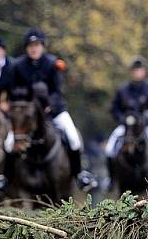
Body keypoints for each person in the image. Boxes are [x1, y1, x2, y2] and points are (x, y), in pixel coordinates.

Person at [12, 28, 96, 191]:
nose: (34, 48)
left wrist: (49, 105)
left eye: (37, 45)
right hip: (27, 115)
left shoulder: (52, 64)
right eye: (30, 45)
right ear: (26, 48)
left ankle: (80, 174)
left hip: (54, 111)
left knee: (73, 138)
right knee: (10, 142)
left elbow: (58, 91)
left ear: (42, 46)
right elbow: (15, 90)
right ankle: (6, 178)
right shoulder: (18, 66)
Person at [104, 57, 148, 181]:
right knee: (110, 148)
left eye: (139, 70)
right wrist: (123, 119)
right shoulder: (122, 90)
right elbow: (114, 108)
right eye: (135, 70)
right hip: (128, 127)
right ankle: (110, 179)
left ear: (144, 71)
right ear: (131, 72)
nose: (137, 72)